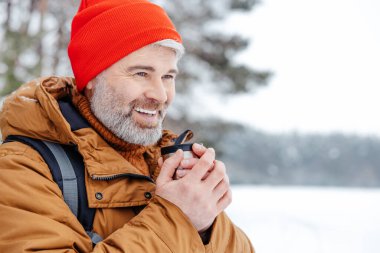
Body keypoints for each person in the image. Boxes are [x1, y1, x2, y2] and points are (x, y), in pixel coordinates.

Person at [0, 0, 254, 252]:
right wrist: (177, 218)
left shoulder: (164, 163)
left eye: (167, 76)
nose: (160, 94)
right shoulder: (21, 168)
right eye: (141, 73)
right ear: (91, 79)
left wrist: (206, 224)